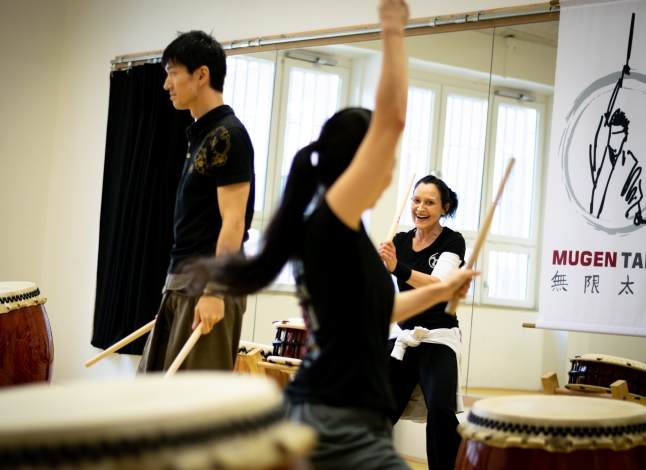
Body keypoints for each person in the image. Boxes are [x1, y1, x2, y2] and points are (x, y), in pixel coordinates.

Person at [178, 2, 478, 468]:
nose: (391, 167)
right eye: (385, 159)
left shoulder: (347, 233)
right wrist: (394, 30)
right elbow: (392, 119)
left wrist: (444, 289)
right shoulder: (329, 225)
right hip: (333, 415)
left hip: (346, 416)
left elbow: (378, 310)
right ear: (358, 161)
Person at [137, 31, 255, 373]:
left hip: (210, 282)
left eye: (173, 72)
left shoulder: (227, 135)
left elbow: (234, 222)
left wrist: (215, 292)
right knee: (153, 400)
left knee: (191, 411)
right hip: (183, 281)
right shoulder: (201, 134)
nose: (166, 84)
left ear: (201, 75)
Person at [378, 176, 465, 470]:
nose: (420, 207)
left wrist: (396, 268)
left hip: (438, 335)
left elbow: (437, 285)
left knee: (441, 409)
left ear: (444, 208)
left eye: (430, 202)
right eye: (416, 200)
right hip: (402, 334)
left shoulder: (452, 241)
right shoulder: (399, 241)